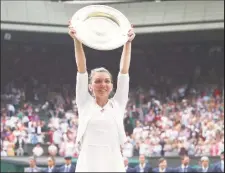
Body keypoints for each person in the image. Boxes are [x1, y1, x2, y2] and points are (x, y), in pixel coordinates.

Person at [68, 19, 135, 172]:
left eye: (106, 81)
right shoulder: (84, 103)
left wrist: (127, 42)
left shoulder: (118, 104)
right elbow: (81, 69)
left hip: (113, 163)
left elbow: (124, 72)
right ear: (90, 86)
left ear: (112, 85)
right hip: (87, 164)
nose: (103, 85)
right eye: (97, 81)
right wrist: (77, 40)